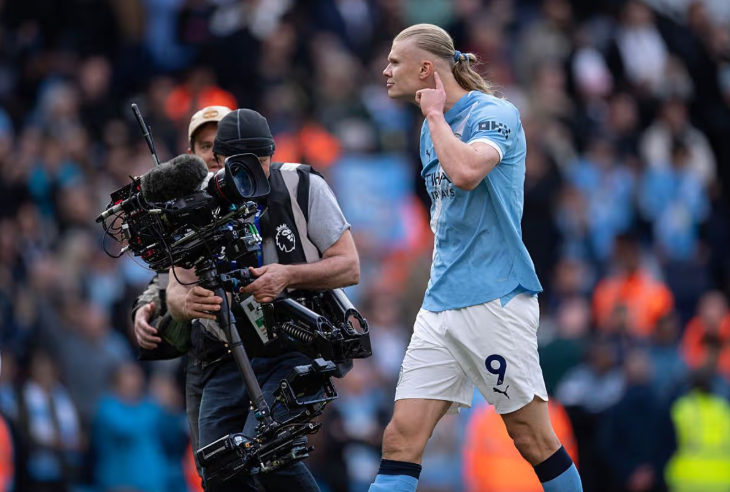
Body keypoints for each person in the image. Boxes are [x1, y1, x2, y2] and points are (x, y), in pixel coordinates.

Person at [369, 24, 583, 492]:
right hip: (439, 306)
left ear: (426, 69)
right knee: (401, 437)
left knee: (532, 438)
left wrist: (435, 117)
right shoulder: (429, 129)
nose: (386, 71)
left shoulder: (494, 113)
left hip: (494, 300)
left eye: (395, 62)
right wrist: (434, 121)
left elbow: (466, 172)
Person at [166, 108, 360, 492]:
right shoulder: (198, 203)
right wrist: (185, 304)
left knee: (268, 451)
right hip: (229, 352)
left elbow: (350, 267)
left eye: (262, 159)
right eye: (242, 161)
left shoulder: (303, 185)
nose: (255, 170)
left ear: (274, 152)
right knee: (217, 470)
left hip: (298, 344)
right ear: (220, 160)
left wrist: (288, 275)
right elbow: (175, 287)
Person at [132, 105, 233, 489]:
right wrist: (144, 309)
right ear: (191, 156)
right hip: (205, 357)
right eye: (205, 146)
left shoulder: (258, 197)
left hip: (259, 355)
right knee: (213, 471)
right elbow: (165, 276)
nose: (214, 154)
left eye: (221, 145)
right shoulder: (177, 211)